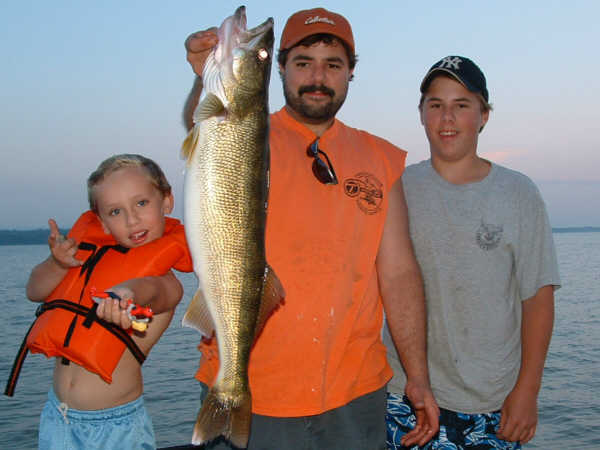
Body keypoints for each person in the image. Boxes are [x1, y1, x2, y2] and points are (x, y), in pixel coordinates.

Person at [183, 7, 439, 449]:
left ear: (350, 74)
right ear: (281, 68)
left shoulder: (382, 158)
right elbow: (205, 121)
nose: (318, 76)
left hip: (354, 392)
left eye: (333, 65)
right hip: (256, 391)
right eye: (303, 62)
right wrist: (203, 72)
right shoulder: (247, 131)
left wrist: (418, 376)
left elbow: (398, 274)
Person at [384, 56, 561, 449]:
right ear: (421, 114)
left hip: (493, 403)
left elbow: (537, 298)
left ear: (483, 115)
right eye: (435, 105)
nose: (447, 118)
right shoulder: (396, 187)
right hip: (404, 398)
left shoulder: (519, 193)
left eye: (461, 105)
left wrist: (527, 391)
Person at [6, 154, 192, 449]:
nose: (132, 220)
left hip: (115, 428)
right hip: (57, 417)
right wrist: (57, 265)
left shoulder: (167, 284)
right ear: (102, 223)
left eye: (141, 203)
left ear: (166, 202)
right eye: (115, 212)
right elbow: (34, 290)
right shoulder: (81, 260)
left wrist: (125, 296)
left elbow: (148, 292)